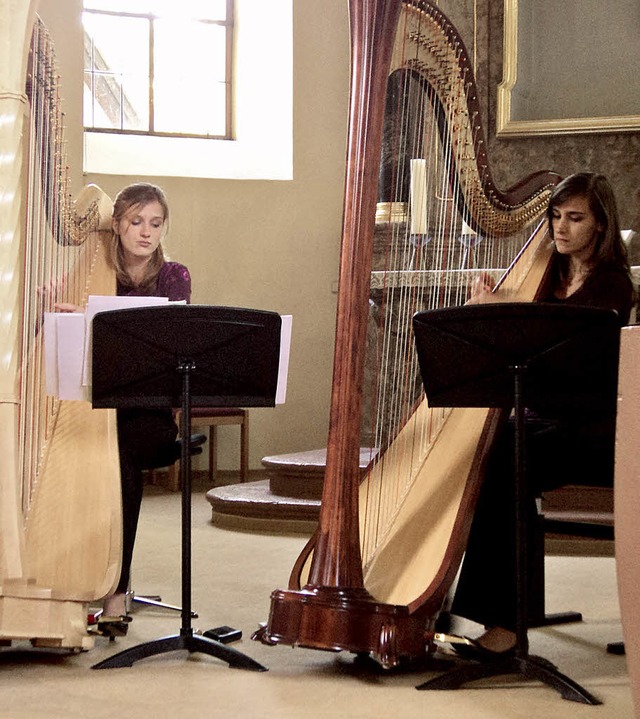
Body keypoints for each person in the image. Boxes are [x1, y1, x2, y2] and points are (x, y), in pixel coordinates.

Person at [448, 172, 635, 657]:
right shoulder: (548, 273)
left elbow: (554, 356)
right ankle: (488, 608)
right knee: (489, 452)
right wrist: (491, 308)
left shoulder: (611, 287)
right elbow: (523, 336)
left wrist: (502, 317)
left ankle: (504, 624)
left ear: (600, 224)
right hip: (545, 421)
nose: (561, 228)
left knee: (502, 462)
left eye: (575, 218)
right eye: (555, 216)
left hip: (592, 428)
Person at [58, 182, 192, 631]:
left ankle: (117, 587)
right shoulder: (94, 269)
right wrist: (55, 309)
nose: (146, 232)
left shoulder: (174, 276)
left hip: (149, 409)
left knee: (124, 453)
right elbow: (58, 320)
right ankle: (69, 580)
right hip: (98, 405)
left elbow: (173, 348)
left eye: (155, 223)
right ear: (116, 224)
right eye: (136, 222)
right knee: (81, 449)